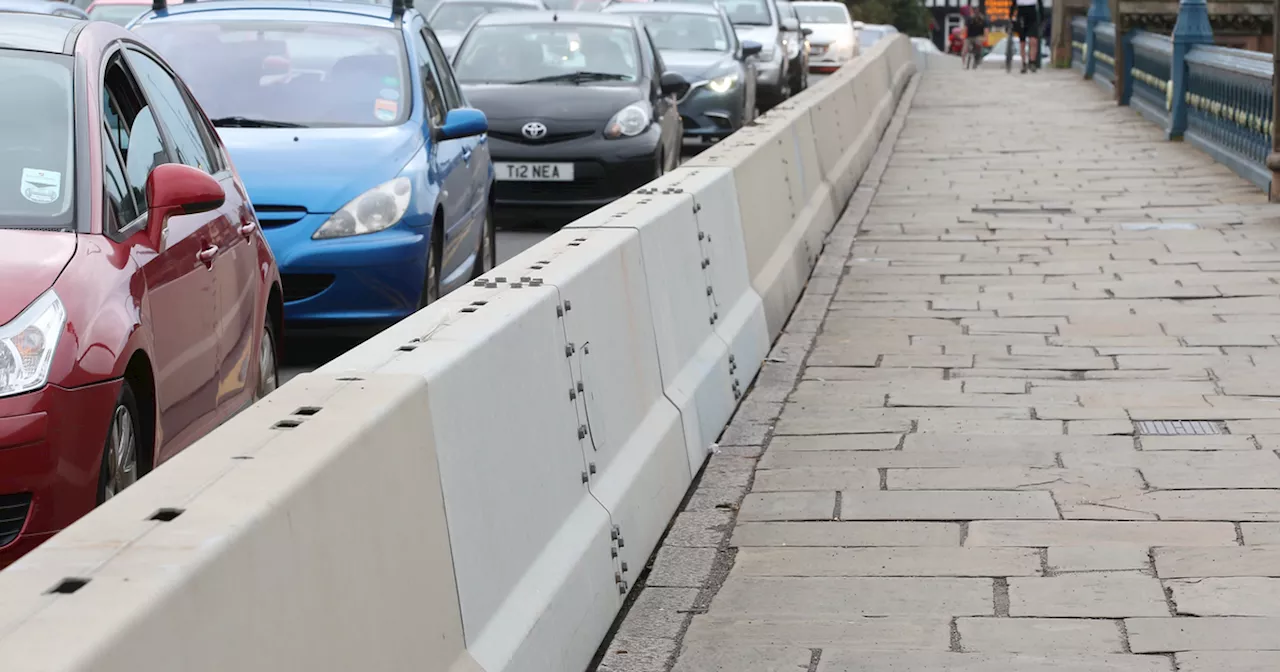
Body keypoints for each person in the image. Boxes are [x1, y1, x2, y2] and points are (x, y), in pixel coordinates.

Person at [1013, 0, 1044, 73]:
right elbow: (1013, 4)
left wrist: (1042, 17)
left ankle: (1032, 62)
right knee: (1022, 42)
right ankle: (1024, 63)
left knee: (1033, 41)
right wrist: (1011, 16)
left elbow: (1040, 4)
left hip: (1032, 17)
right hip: (1021, 16)